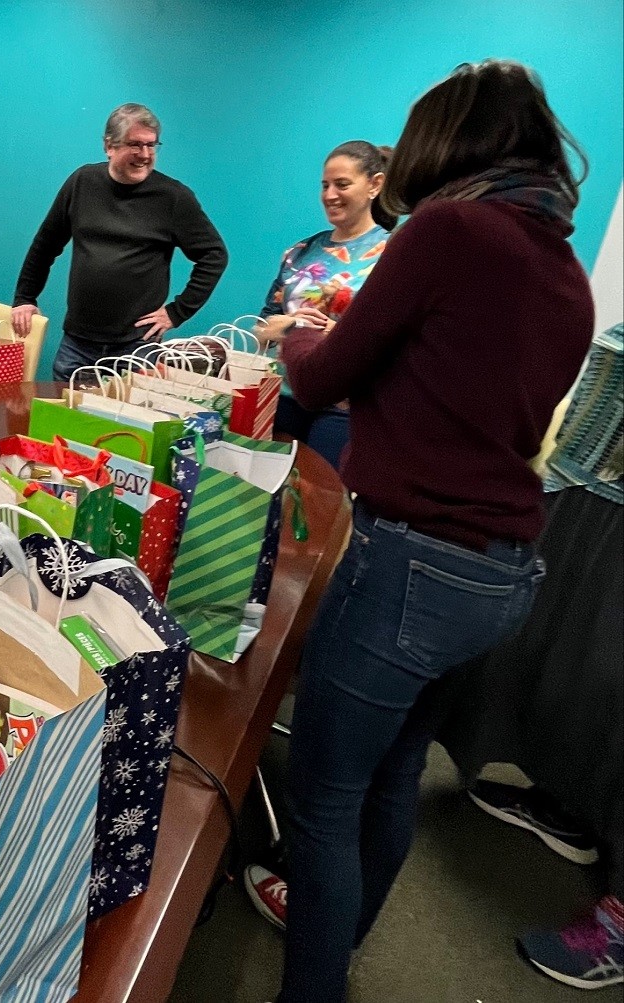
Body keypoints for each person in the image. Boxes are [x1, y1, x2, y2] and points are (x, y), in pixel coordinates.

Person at [242, 60, 595, 1002]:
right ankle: (342, 938)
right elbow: (466, 393)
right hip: (506, 569)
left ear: (446, 141)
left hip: (411, 560)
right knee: (393, 776)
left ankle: (310, 984)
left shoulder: (447, 230)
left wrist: (304, 335)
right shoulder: (560, 265)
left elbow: (321, 379)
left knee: (322, 801)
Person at [10, 103, 228, 381]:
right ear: (109, 145)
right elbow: (45, 245)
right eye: (135, 145)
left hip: (136, 347)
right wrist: (25, 298)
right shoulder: (81, 182)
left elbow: (214, 255)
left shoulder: (173, 197)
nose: (145, 155)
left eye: (152, 145)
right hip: (78, 343)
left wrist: (177, 312)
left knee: (127, 425)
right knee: (64, 420)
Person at [255, 141, 395, 468]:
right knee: (269, 498)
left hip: (344, 409)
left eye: (342, 185)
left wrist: (321, 331)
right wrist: (281, 327)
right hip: (283, 397)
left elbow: (391, 347)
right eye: (325, 185)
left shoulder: (394, 256)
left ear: (375, 184)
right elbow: (261, 329)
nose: (330, 194)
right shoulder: (300, 252)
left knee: (324, 507)